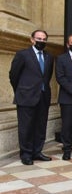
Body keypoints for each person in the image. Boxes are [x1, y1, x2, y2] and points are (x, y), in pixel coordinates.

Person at [9, 29, 54, 165]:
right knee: (26, 127)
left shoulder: (49, 57)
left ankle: (37, 151)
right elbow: (13, 76)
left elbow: (47, 77)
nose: (41, 41)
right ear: (32, 39)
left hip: (43, 96)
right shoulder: (22, 54)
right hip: (26, 96)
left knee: (40, 126)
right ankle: (26, 154)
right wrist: (22, 90)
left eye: (44, 39)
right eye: (39, 39)